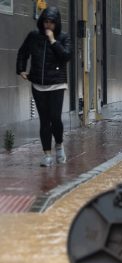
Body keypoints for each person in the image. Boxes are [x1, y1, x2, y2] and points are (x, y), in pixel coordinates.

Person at [16, 7, 71, 167]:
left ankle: (59, 146)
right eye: (46, 21)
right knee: (44, 121)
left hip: (56, 84)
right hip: (38, 85)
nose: (48, 25)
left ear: (57, 23)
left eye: (52, 23)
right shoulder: (34, 36)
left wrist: (53, 41)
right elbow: (23, 52)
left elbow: (66, 56)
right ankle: (47, 155)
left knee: (55, 118)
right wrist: (21, 69)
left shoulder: (63, 37)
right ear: (42, 21)